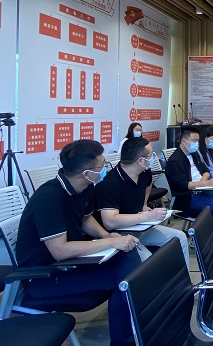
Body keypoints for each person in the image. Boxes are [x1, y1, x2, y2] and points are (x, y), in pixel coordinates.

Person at [16, 139, 142, 346]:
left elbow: (85, 218)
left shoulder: (84, 187)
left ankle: (136, 329)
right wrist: (111, 243)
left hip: (71, 264)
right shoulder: (48, 198)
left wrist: (106, 236)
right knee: (126, 280)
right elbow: (60, 250)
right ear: (86, 173)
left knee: (128, 260)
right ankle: (125, 340)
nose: (105, 169)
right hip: (46, 276)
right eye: (101, 167)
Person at [94, 136, 190, 266]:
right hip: (120, 234)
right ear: (141, 160)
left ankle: (184, 278)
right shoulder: (110, 183)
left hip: (141, 228)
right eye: (151, 156)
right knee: (149, 264)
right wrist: (147, 216)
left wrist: (143, 204)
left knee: (179, 237)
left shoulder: (145, 172)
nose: (153, 158)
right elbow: (110, 222)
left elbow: (148, 185)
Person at [164, 127, 213, 238]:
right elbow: (183, 185)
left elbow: (206, 171)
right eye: (194, 141)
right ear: (184, 141)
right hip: (188, 197)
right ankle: (211, 239)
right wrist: (204, 184)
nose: (197, 144)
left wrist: (203, 181)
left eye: (197, 140)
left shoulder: (194, 154)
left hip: (203, 190)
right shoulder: (175, 161)